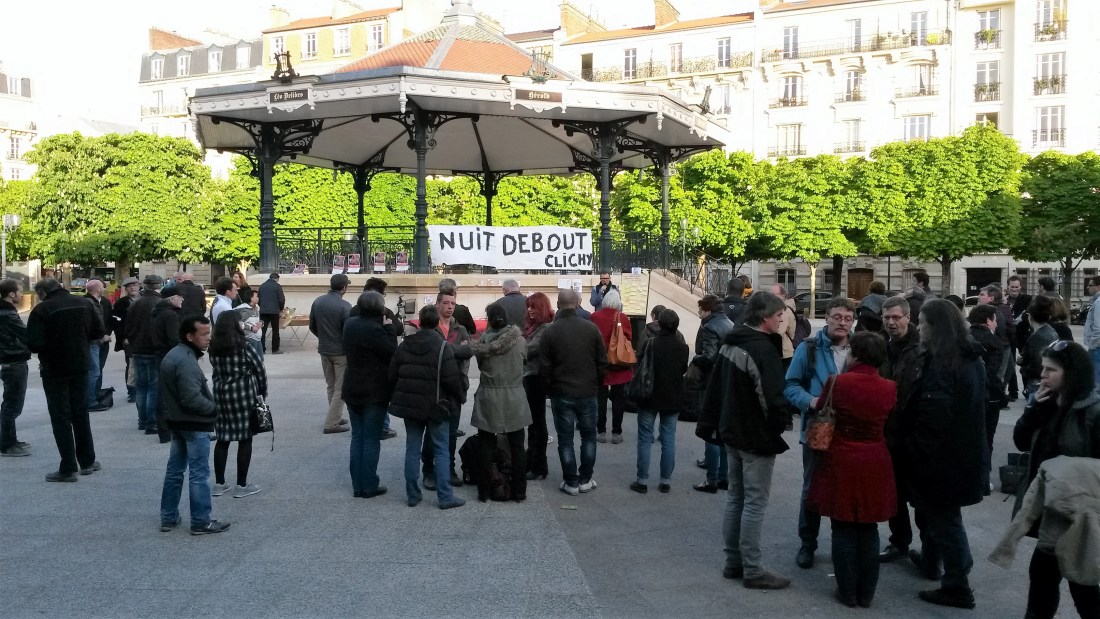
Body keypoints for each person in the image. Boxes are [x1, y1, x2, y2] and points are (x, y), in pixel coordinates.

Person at [698, 291, 790, 590]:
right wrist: (776, 427)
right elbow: (772, 398)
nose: (781, 320)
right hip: (753, 435)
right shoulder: (761, 350)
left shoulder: (733, 341)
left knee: (736, 498)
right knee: (754, 502)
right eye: (779, 315)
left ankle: (733, 561)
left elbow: (717, 387)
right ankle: (752, 568)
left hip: (731, 431)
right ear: (766, 318)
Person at [900, 298, 986, 610]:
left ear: (936, 327)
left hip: (943, 458)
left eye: (921, 322)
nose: (918, 328)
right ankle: (931, 559)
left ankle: (957, 584)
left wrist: (916, 450)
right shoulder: (969, 356)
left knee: (945, 518)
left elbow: (934, 417)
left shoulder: (944, 362)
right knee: (939, 515)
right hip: (963, 452)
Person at [1009, 340, 1100, 618]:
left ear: (1071, 372)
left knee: (1080, 582)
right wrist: (1032, 408)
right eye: (1043, 368)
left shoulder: (1093, 411)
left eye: (1051, 370)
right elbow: (1022, 442)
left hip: (1079, 510)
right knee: (1043, 576)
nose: (1044, 375)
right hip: (1048, 505)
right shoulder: (1046, 402)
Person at [807, 332, 897, 608]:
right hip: (875, 458)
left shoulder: (838, 383)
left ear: (854, 354)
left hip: (841, 459)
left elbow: (821, 408)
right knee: (868, 527)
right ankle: (866, 593)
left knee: (843, 526)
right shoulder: (890, 387)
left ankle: (847, 591)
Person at [784, 296, 856, 569]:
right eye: (837, 317)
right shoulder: (810, 348)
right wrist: (811, 401)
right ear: (827, 318)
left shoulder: (859, 347)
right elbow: (790, 385)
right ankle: (808, 543)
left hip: (850, 431)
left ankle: (843, 545)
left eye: (848, 319)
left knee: (844, 489)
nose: (842, 323)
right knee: (811, 488)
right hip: (818, 429)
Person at [388, 305, 466, 509]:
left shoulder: (405, 345)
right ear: (437, 323)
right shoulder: (442, 347)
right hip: (436, 406)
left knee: (412, 448)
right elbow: (452, 380)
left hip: (411, 406)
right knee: (441, 449)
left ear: (420, 322)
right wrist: (459, 398)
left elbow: (392, 375)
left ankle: (413, 494)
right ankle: (445, 496)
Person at [158, 315, 230, 535]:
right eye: (204, 334)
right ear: (190, 336)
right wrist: (215, 409)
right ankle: (200, 520)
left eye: (209, 333)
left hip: (178, 421)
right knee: (198, 474)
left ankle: (168, 517)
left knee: (175, 471)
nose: (209, 338)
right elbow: (191, 399)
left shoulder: (177, 354)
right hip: (192, 423)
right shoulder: (186, 360)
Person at [27, 278, 104, 482]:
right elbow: (98, 332)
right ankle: (87, 461)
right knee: (80, 413)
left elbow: (34, 344)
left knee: (60, 417)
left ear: (43, 293)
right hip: (80, 364)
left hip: (54, 368)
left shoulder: (42, 310)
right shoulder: (84, 304)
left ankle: (68, 467)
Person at [540, 288, 607, 496]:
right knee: (588, 437)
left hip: (561, 392)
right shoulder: (591, 328)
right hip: (587, 391)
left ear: (558, 305)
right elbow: (601, 361)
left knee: (565, 440)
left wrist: (550, 390)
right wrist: (596, 384)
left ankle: (570, 482)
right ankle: (585, 479)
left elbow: (544, 367)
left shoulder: (550, 331)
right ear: (578, 303)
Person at [878, 296, 924, 564]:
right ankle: (899, 542)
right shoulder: (883, 348)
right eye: (887, 318)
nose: (891, 322)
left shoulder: (923, 348)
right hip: (889, 433)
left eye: (896, 317)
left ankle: (930, 549)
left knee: (921, 499)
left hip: (915, 434)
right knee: (894, 495)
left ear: (908, 317)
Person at [470, 302, 531, 502]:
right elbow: (524, 361)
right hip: (514, 396)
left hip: (489, 395)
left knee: (485, 444)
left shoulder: (483, 345)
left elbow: (480, 366)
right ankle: (520, 490)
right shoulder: (520, 341)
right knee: (517, 445)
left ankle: (484, 490)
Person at [341, 290, 396, 499]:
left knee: (358, 436)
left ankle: (358, 484)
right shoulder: (377, 329)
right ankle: (369, 484)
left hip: (352, 385)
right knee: (371, 439)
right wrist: (390, 329)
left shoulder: (350, 324)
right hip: (374, 389)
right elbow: (391, 349)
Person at [208, 312, 267, 499]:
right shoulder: (245, 347)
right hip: (243, 395)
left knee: (222, 439)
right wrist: (262, 392)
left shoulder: (213, 348)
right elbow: (259, 369)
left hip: (221, 395)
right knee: (245, 438)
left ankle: (219, 483)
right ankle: (241, 485)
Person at [631, 308, 688, 494]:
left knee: (645, 438)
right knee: (668, 438)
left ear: (659, 323)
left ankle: (642, 480)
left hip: (650, 394)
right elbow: (682, 369)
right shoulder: (683, 347)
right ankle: (665, 480)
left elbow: (641, 364)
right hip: (672, 396)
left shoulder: (650, 344)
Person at [423, 287, 474, 488]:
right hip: (433, 388)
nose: (450, 307)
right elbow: (430, 352)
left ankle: (449, 468)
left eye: (453, 303)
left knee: (451, 432)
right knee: (431, 432)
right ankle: (428, 470)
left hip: (455, 387)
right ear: (437, 304)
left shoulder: (460, 329)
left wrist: (447, 349)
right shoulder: (430, 328)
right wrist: (456, 350)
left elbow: (468, 351)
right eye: (446, 303)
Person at [691, 294, 734, 493]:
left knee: (710, 431)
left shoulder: (709, 327)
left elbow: (709, 356)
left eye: (700, 310)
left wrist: (696, 359)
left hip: (711, 383)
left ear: (708, 310)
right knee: (723, 431)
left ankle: (712, 479)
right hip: (727, 381)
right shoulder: (729, 323)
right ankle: (725, 476)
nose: (699, 313)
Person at [967, 304, 1007, 495]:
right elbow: (994, 373)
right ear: (989, 321)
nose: (996, 324)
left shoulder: (965, 337)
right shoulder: (994, 342)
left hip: (968, 396)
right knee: (986, 439)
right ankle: (983, 480)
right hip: (988, 397)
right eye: (995, 320)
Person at [310, 273, 352, 434]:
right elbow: (348, 331)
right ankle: (331, 423)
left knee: (331, 386)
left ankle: (335, 416)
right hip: (340, 351)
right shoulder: (344, 306)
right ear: (344, 288)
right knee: (340, 388)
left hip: (324, 349)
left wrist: (323, 338)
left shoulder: (318, 302)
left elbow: (312, 325)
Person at [590, 289, 633, 444]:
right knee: (618, 399)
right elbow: (629, 338)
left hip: (600, 363)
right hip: (618, 363)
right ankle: (617, 432)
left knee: (600, 398)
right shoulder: (623, 318)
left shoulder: (594, 317)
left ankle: (601, 431)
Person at [125, 274, 164, 432]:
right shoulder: (159, 303)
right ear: (158, 285)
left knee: (141, 386)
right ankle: (151, 421)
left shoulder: (136, 302)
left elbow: (128, 327)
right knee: (153, 387)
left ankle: (142, 420)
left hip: (138, 349)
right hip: (153, 350)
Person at [522, 292, 554, 481]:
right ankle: (533, 461)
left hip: (536, 378)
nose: (529, 310)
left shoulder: (545, 328)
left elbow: (529, 350)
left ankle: (538, 464)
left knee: (537, 423)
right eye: (528, 306)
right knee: (533, 423)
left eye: (533, 307)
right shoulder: (535, 327)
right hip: (531, 377)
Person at [0, 278, 30, 457]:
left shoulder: (6, 311)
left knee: (11, 404)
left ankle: (10, 439)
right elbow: (26, 335)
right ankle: (7, 444)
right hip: (13, 361)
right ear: (11, 294)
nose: (21, 294)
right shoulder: (7, 314)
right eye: (19, 291)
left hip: (11, 360)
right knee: (12, 405)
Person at [148, 290, 184, 440]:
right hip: (169, 356)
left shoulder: (160, 312)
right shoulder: (170, 315)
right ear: (172, 298)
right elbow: (174, 339)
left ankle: (165, 429)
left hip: (160, 355)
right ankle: (167, 430)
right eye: (179, 297)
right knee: (167, 394)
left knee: (163, 392)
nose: (182, 299)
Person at [1019, 295, 1060, 400]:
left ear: (1030, 317)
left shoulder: (1037, 337)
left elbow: (1038, 364)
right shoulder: (1051, 331)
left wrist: (1023, 369)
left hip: (1038, 381)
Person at [84, 279, 112, 412]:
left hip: (97, 342)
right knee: (93, 372)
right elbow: (95, 323)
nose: (105, 288)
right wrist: (102, 336)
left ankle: (94, 396)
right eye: (103, 286)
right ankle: (90, 401)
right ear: (98, 289)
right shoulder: (89, 303)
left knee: (96, 371)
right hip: (93, 342)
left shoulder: (103, 302)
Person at [112, 276, 141, 403]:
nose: (132, 288)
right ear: (126, 289)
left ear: (139, 286)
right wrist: (123, 338)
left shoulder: (146, 299)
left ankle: (142, 389)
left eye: (134, 285)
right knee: (131, 365)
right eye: (129, 286)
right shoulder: (120, 303)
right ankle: (132, 391)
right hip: (129, 339)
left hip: (145, 338)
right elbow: (116, 322)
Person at [1006, 275, 1032, 400]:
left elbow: (1031, 314)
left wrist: (1021, 319)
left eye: (1016, 287)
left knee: (1025, 363)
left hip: (1023, 334)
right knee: (1010, 363)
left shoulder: (1028, 298)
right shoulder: (1004, 299)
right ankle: (1012, 391)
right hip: (1009, 335)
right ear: (1008, 287)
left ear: (1020, 287)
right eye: (1012, 287)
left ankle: (1027, 389)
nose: (1014, 289)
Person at [258, 272, 285, 355]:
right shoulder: (277, 286)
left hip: (263, 311)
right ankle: (275, 349)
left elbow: (258, 298)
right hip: (274, 311)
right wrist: (281, 309)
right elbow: (281, 300)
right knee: (275, 330)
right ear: (276, 278)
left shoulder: (262, 286)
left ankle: (262, 349)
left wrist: (262, 306)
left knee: (262, 330)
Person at [234, 289, 264, 361]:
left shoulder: (255, 308)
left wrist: (261, 323)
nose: (258, 298)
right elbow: (238, 323)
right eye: (256, 296)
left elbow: (256, 320)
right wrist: (251, 328)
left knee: (260, 359)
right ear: (251, 298)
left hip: (257, 339)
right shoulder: (244, 310)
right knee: (253, 360)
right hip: (249, 339)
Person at [1086, 276, 1100, 387]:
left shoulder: (1099, 302)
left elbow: (1098, 327)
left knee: (1096, 382)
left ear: (1098, 287)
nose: (1087, 287)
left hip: (1097, 347)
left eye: (1090, 285)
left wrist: (1092, 345)